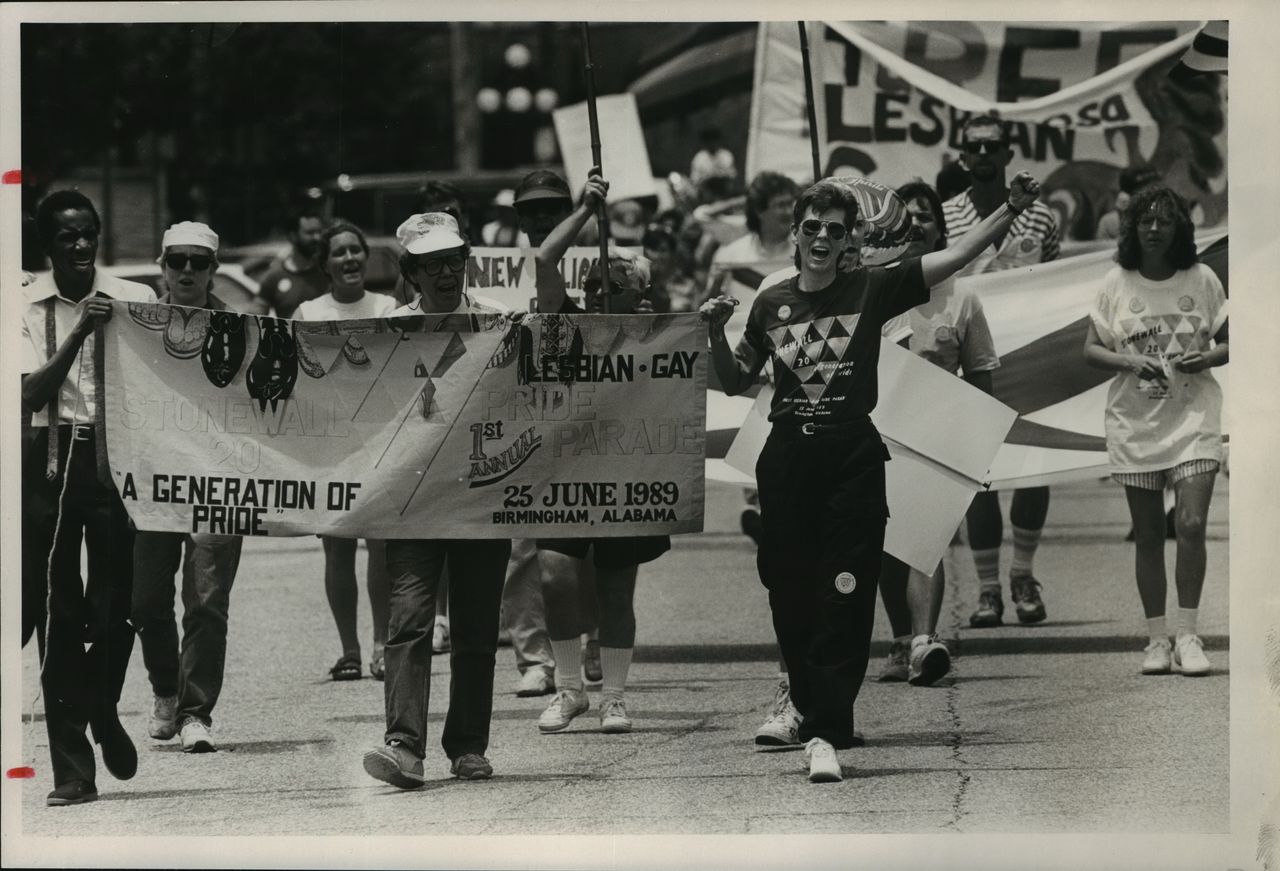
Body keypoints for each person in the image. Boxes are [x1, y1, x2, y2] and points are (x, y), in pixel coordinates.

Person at [701, 169, 1042, 783]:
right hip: (787, 463)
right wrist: (710, 332)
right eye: (812, 228)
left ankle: (828, 731)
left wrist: (1009, 209)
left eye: (835, 229)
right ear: (797, 236)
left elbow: (958, 254)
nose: (823, 238)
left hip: (852, 462)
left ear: (850, 236)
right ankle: (807, 708)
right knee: (789, 591)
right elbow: (732, 380)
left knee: (847, 592)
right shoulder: (772, 301)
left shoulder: (873, 288)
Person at [362, 212, 512, 788]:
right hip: (412, 499)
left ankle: (468, 745)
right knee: (409, 620)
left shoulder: (497, 321)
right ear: (411, 273)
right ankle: (404, 745)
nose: (446, 273)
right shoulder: (386, 333)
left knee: (476, 627)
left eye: (454, 261)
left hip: (481, 491)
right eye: (432, 265)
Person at [21, 190, 155, 805]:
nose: (78, 246)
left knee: (116, 605)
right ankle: (72, 770)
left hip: (116, 458)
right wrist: (79, 332)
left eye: (87, 234)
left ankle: (102, 707)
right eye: (66, 237)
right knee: (58, 612)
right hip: (49, 459)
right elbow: (28, 394)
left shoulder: (135, 298)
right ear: (47, 246)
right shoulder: (22, 306)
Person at [529, 170, 670, 735]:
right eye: (593, 286)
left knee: (616, 586)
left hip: (626, 472)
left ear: (641, 296)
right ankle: (569, 691)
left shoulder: (658, 337)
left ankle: (613, 695)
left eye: (615, 288)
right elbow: (543, 260)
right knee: (556, 575)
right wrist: (588, 210)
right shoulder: (568, 323)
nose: (598, 296)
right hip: (565, 469)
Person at [1082, 185, 1227, 676]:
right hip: (1135, 425)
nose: (1154, 228)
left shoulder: (1202, 277)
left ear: (1179, 227)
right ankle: (1156, 639)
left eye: (1165, 220)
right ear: (1132, 228)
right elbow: (1090, 348)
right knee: (1148, 536)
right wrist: (1129, 360)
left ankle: (1188, 635)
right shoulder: (1115, 282)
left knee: (1188, 525)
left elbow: (1232, 338)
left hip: (1194, 420)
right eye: (1145, 220)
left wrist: (1205, 356)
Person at [876, 183, 1000, 687]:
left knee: (926, 543)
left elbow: (982, 380)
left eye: (925, 216)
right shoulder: (870, 292)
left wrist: (977, 445)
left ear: (940, 229)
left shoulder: (963, 298)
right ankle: (902, 639)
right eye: (904, 217)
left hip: (938, 441)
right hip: (877, 437)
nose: (915, 225)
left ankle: (925, 644)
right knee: (886, 546)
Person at [130, 222, 246, 754]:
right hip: (157, 478)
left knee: (206, 601)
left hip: (218, 479)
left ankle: (197, 712)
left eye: (198, 262)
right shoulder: (137, 324)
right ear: (162, 264)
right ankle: (165, 690)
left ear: (214, 269)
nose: (187, 271)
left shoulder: (242, 327)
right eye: (177, 260)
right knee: (145, 598)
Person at [942, 115, 1060, 628]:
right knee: (980, 474)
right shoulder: (948, 215)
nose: (985, 154)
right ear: (963, 156)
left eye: (994, 146)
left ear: (1008, 153)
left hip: (1028, 352)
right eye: (976, 147)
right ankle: (988, 589)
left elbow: (1059, 284)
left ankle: (1021, 574)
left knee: (1035, 467)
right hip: (971, 359)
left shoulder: (1043, 218)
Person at [296, 222, 396, 681]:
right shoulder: (308, 311)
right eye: (339, 253)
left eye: (357, 250)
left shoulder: (388, 307)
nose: (350, 259)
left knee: (380, 547)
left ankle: (381, 645)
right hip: (329, 445)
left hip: (377, 439)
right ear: (325, 265)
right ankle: (349, 650)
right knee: (336, 550)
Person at [258, 207, 328, 319]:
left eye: (319, 231)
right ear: (293, 236)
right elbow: (254, 318)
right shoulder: (274, 277)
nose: (317, 237)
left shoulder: (329, 271)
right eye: (310, 233)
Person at [1096, 164, 1161, 241]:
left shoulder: (1167, 216)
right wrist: (1123, 218)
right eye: (1151, 188)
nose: (1157, 192)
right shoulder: (1109, 222)